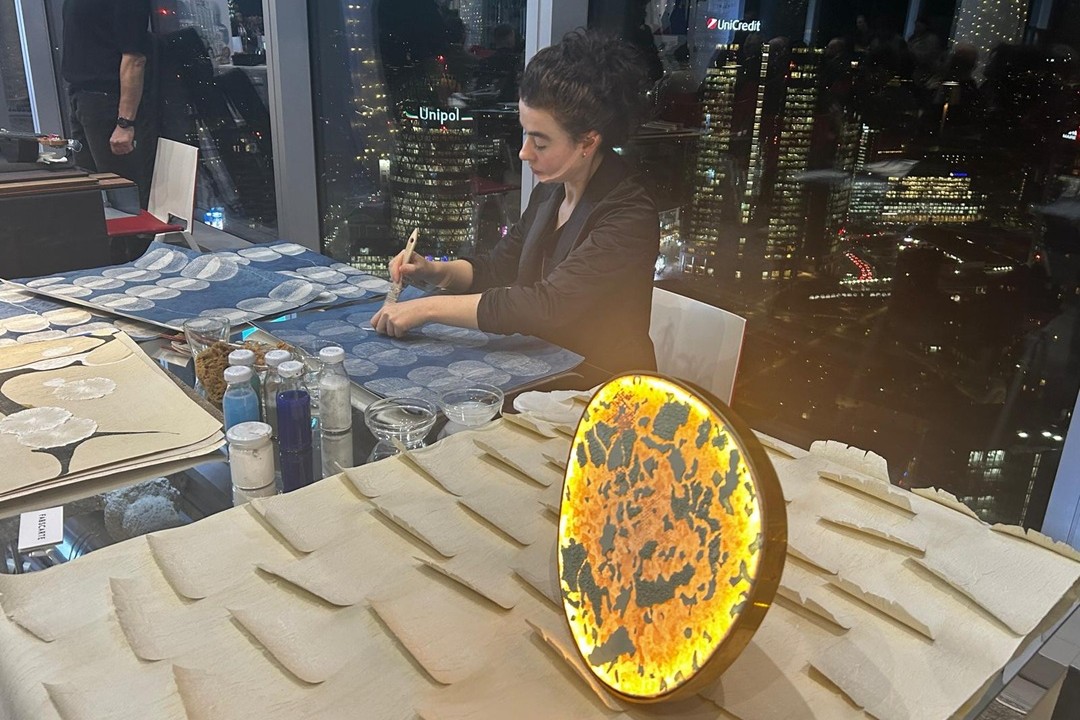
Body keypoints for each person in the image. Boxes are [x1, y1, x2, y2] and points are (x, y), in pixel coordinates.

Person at [372, 31, 659, 377]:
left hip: (602, 384)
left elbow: (545, 306)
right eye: (525, 135)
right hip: (545, 366)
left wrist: (427, 309)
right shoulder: (552, 192)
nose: (524, 153)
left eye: (540, 143)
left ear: (587, 142)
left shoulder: (629, 216)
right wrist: (433, 271)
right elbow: (497, 269)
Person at [61, 0, 154, 208]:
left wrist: (124, 123)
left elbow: (135, 59)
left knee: (124, 197)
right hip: (81, 96)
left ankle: (136, 231)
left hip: (107, 102)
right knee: (90, 193)